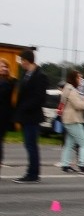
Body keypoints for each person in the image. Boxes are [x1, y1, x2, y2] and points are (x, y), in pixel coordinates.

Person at [13, 49, 48, 184]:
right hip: (25, 117)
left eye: (21, 61)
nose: (21, 63)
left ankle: (33, 174)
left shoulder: (40, 76)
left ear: (26, 61)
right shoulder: (26, 75)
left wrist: (23, 108)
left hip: (32, 116)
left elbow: (40, 98)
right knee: (29, 145)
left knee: (32, 145)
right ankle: (32, 172)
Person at [58, 70, 84, 174]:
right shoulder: (71, 90)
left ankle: (65, 165)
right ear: (74, 78)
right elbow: (77, 105)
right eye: (79, 78)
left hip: (67, 120)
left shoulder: (67, 88)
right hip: (73, 120)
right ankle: (83, 165)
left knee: (69, 144)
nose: (81, 80)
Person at [0, 59, 17, 179]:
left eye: (5, 66)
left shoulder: (10, 82)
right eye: (1, 66)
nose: (3, 68)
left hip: (3, 116)